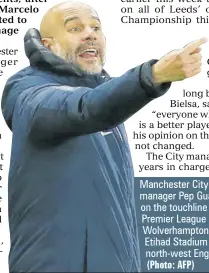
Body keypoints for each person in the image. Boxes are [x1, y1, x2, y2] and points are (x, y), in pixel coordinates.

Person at [1, 1, 206, 272]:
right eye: (75, 27)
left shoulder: (110, 98)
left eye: (96, 27)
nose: (90, 33)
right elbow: (83, 108)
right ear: (48, 45)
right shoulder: (28, 92)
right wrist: (152, 75)